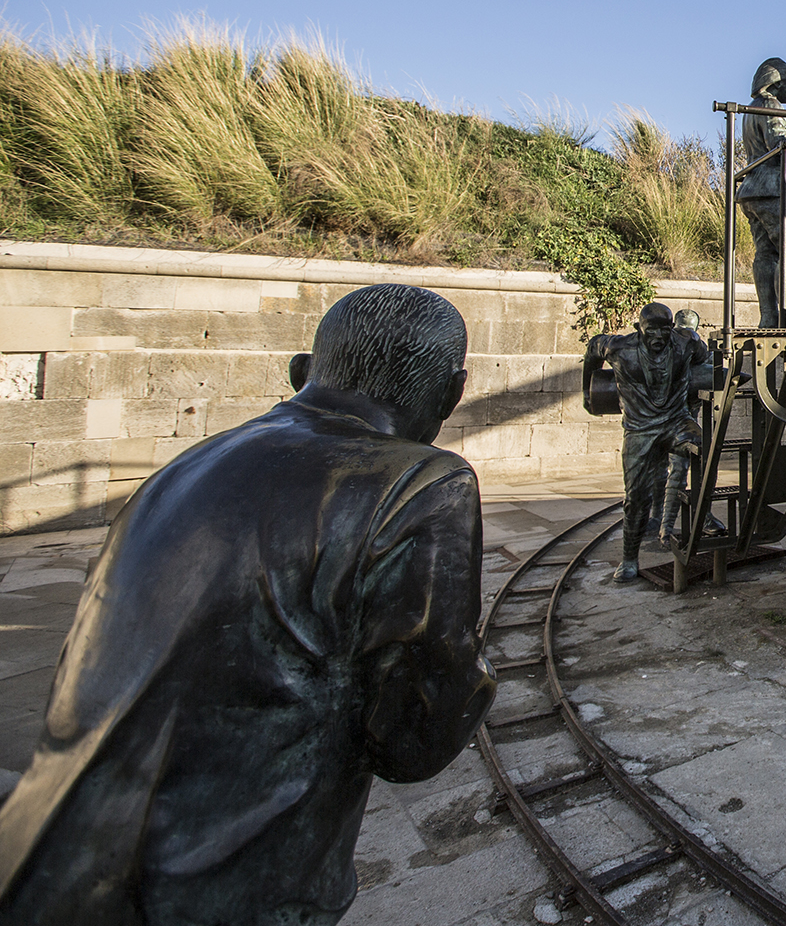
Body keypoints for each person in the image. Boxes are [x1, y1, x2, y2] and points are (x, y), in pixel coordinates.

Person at [0, 283, 496, 926]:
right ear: (453, 392)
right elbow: (413, 741)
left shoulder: (184, 469)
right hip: (223, 887)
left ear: (301, 373)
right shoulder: (422, 483)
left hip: (49, 859)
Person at [584, 302, 699, 580]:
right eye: (652, 331)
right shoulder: (618, 348)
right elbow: (591, 349)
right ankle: (629, 559)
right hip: (639, 429)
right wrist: (586, 393)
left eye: (664, 331)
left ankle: (701, 515)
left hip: (675, 423)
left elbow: (703, 355)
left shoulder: (685, 343)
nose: (659, 337)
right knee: (636, 496)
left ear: (672, 329)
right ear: (639, 328)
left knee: (707, 448)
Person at [738, 57, 786, 330]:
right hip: (772, 188)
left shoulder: (751, 109)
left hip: (751, 189)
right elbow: (778, 146)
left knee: (766, 253)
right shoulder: (772, 105)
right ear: (775, 83)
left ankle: (769, 316)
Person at [652, 309, 715, 544]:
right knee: (673, 473)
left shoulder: (695, 355)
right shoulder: (669, 355)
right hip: (673, 422)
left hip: (682, 420)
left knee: (686, 471)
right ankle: (665, 527)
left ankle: (695, 519)